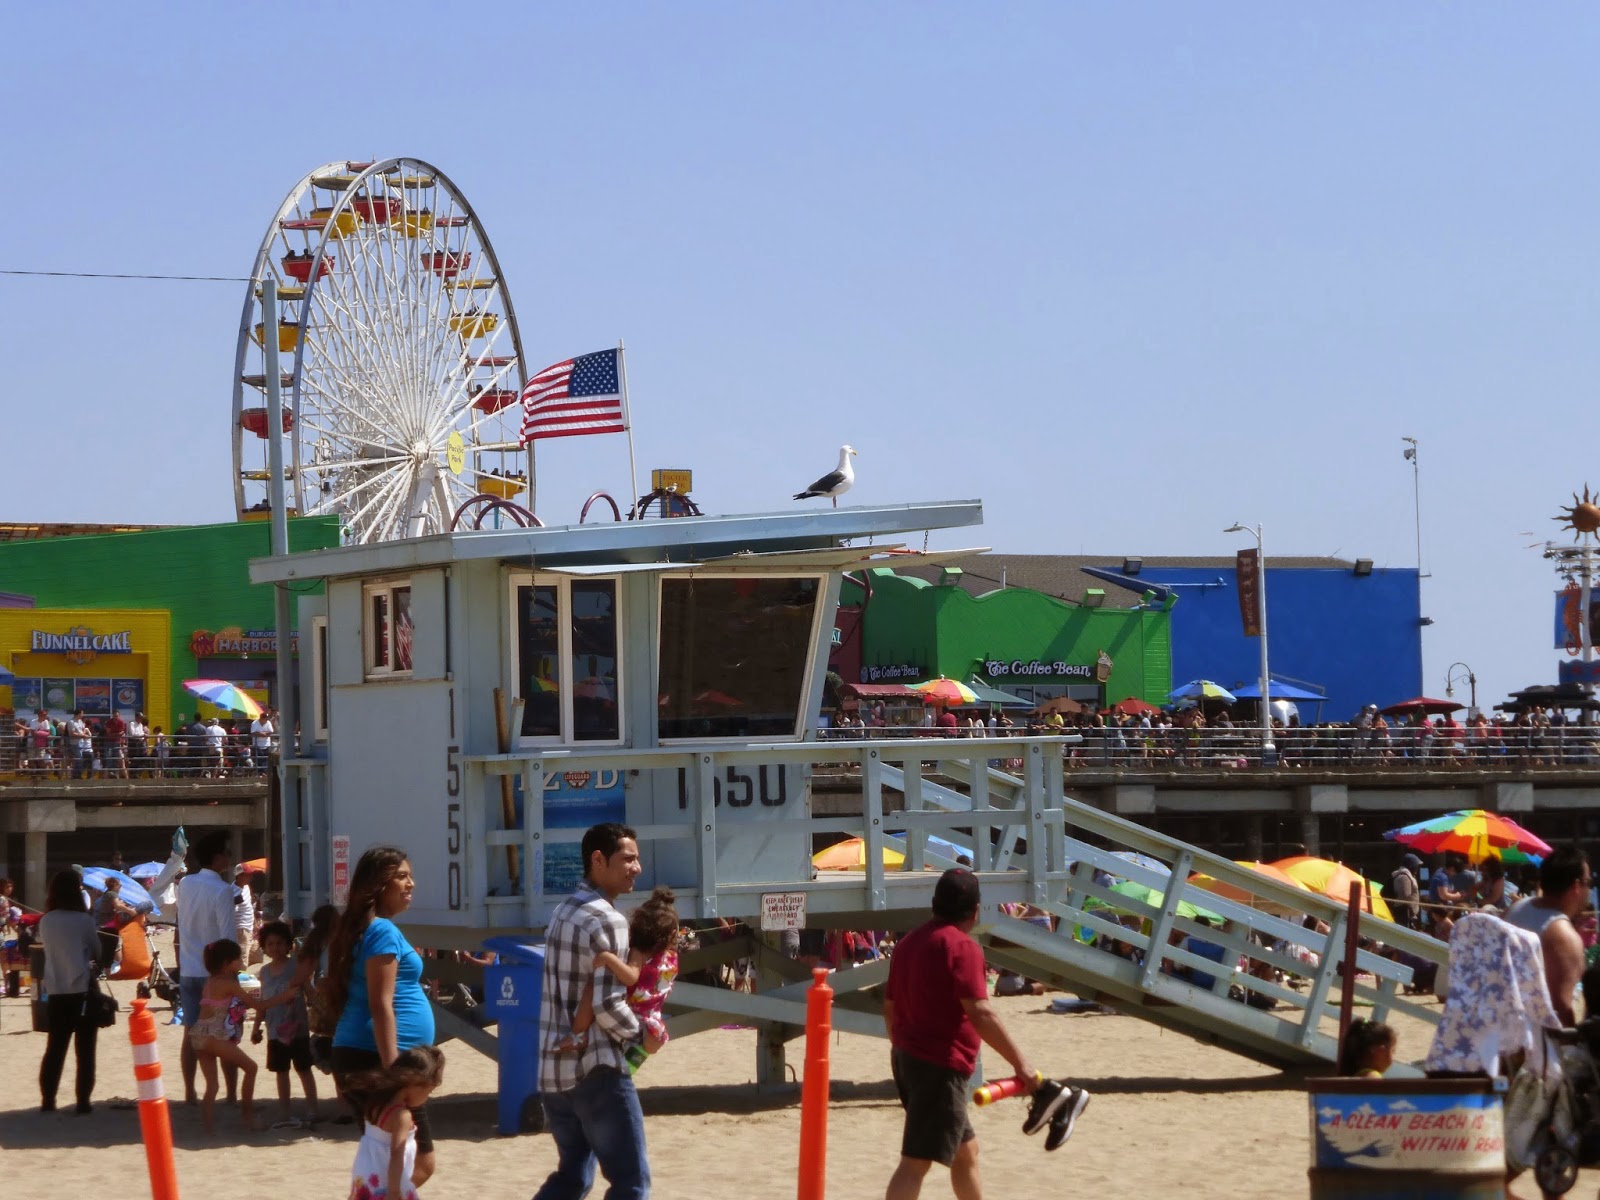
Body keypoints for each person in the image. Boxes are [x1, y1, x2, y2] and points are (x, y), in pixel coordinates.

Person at [883, 869, 1074, 1200]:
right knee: (915, 1162)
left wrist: (903, 1047)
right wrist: (1022, 1064)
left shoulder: (908, 943)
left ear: (934, 904)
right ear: (975, 911)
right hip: (937, 1066)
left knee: (965, 1152)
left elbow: (889, 1006)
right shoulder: (961, 947)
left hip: (908, 1059)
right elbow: (981, 1013)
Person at [534, 822, 657, 1200]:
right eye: (628, 859)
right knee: (631, 1183)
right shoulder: (607, 918)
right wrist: (641, 1034)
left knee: (572, 1177)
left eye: (637, 859)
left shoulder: (563, 910)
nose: (636, 868)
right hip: (596, 1069)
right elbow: (606, 1004)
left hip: (554, 1070)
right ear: (598, 860)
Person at [326, 847, 437, 1188]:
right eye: (401, 876)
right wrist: (394, 1072)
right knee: (412, 1161)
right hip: (376, 1058)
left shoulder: (370, 929)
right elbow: (380, 1004)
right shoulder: (382, 931)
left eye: (410, 875)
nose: (411, 884)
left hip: (368, 1054)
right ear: (380, 884)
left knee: (403, 1161)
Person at [553, 885, 680, 1072]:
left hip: (643, 1012)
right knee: (592, 989)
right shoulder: (655, 954)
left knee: (592, 988)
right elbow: (639, 978)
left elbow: (639, 978)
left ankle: (586, 1040)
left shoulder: (653, 954)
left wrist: (609, 958)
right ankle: (585, 1039)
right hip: (643, 1013)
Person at [191, 937, 296, 1133]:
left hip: (198, 1034)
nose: (242, 962)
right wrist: (285, 996)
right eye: (238, 959)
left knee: (212, 1086)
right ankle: (247, 1117)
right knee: (251, 1068)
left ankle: (208, 1129)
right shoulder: (228, 983)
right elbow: (259, 1005)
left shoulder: (211, 981)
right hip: (214, 1035)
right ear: (226, 963)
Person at [178, 831, 241, 1104]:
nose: (229, 857)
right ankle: (230, 1094)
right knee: (224, 1034)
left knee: (191, 1032)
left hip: (189, 969)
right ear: (216, 857)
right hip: (214, 974)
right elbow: (228, 937)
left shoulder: (186, 884)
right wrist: (234, 973)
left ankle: (190, 1091)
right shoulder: (223, 890)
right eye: (226, 853)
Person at [1503, 845, 1591, 1026]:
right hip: (1535, 1040)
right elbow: (1560, 1009)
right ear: (1576, 886)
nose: (1589, 890)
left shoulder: (1515, 908)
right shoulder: (1563, 935)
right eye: (1588, 883)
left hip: (1502, 1025)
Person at [343, 1046, 446, 1200]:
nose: (427, 1098)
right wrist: (393, 1192)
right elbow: (397, 1153)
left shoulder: (376, 1104)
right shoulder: (401, 1116)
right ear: (414, 1084)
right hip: (389, 1183)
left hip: (367, 1176)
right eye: (428, 1091)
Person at [37, 868, 103, 1113]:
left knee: (55, 1048)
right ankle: (83, 1102)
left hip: (56, 989)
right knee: (85, 1052)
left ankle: (48, 1100)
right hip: (82, 990)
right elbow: (97, 951)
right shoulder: (84, 920)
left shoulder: (46, 920)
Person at [252, 921, 319, 1125]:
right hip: (274, 1031)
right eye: (270, 944)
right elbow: (262, 1003)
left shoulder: (297, 965)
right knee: (281, 1072)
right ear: (264, 947)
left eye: (280, 943)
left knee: (304, 1069)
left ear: (289, 944)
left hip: (298, 1029)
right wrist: (256, 1028)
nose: (275, 947)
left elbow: (310, 994)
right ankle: (284, 1111)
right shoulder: (263, 972)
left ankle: (313, 1109)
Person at [1388, 853, 1423, 931]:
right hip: (1404, 914)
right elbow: (1405, 897)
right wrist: (1411, 913)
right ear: (1411, 865)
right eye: (1416, 865)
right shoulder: (1404, 877)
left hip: (1407, 914)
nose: (1417, 868)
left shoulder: (1407, 876)